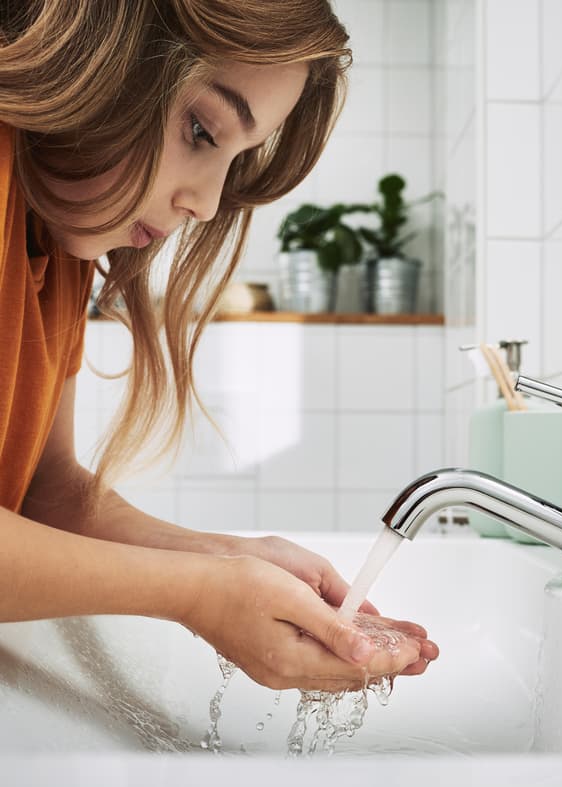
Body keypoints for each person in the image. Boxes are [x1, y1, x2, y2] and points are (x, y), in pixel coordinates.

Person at [0, 0, 438, 695]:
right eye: (202, 129)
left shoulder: (62, 238)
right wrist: (200, 592)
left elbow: (42, 492)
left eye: (233, 159)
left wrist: (240, 560)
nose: (206, 204)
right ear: (102, 50)